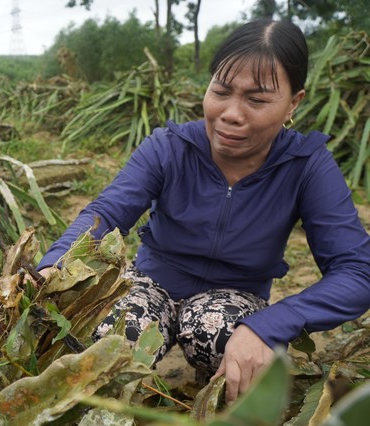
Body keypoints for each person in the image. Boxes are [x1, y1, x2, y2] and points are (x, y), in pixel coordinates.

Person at [36, 19, 370, 404]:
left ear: (294, 103)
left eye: (257, 100)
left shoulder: (306, 164)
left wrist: (268, 325)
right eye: (221, 91)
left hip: (235, 299)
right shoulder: (168, 147)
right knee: (110, 337)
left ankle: (215, 389)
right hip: (151, 284)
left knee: (224, 338)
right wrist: (55, 265)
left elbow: (357, 271)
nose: (231, 113)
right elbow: (108, 212)